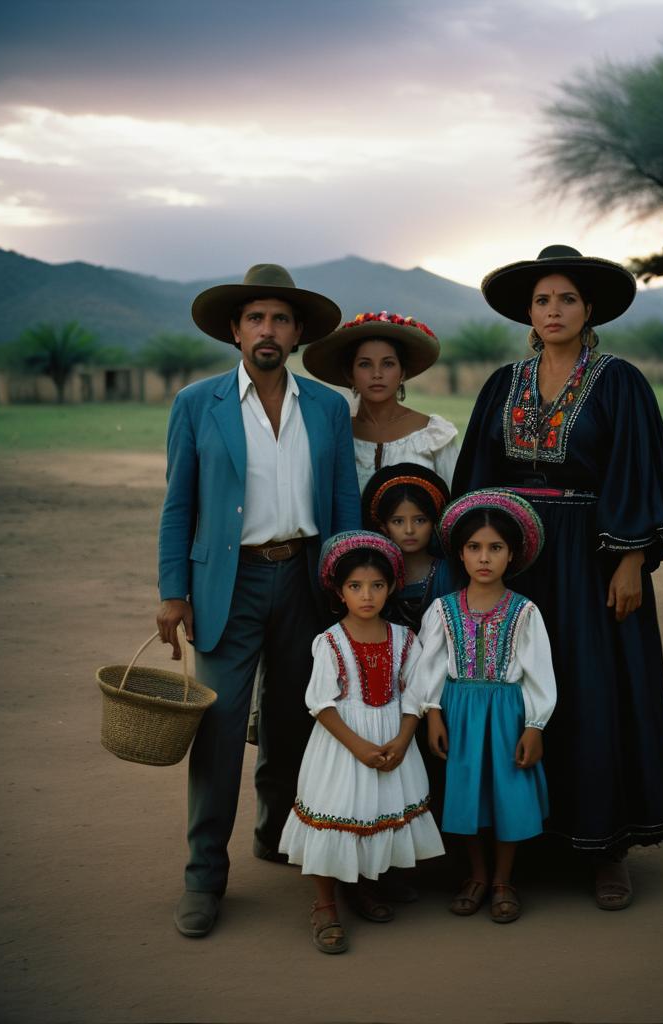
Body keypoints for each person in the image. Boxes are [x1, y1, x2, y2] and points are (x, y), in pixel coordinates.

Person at [453, 245, 663, 910]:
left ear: (590, 309)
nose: (553, 310)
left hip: (594, 560)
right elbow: (477, 478)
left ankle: (606, 845)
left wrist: (631, 561)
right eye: (542, 300)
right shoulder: (503, 385)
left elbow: (640, 475)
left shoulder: (620, 382)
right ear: (528, 314)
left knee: (595, 689)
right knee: (515, 690)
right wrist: (476, 561)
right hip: (515, 562)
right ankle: (520, 840)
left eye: (565, 298)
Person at [156, 263, 361, 938]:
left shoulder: (328, 407)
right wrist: (172, 592)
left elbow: (342, 503)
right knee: (219, 730)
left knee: (295, 719)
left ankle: (277, 834)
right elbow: (179, 503)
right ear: (235, 332)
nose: (266, 330)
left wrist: (349, 582)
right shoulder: (198, 404)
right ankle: (202, 878)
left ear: (298, 332)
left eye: (279, 318)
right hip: (228, 581)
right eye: (254, 318)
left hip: (308, 574)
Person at [278, 531, 444, 954]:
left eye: (376, 586)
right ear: (339, 590)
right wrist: (358, 747)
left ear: (390, 588)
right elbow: (319, 701)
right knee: (338, 814)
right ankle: (325, 904)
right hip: (342, 745)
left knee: (374, 812)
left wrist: (404, 740)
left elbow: (415, 693)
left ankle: (364, 888)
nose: (367, 595)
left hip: (393, 739)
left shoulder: (405, 639)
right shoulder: (329, 642)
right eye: (355, 586)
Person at [411, 489, 556, 924]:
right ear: (461, 553)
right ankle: (475, 874)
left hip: (509, 714)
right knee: (467, 793)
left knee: (508, 794)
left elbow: (539, 674)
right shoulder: (442, 610)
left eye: (495, 548)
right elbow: (427, 665)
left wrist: (535, 725)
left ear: (512, 555)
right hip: (459, 712)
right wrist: (432, 711)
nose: (484, 558)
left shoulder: (525, 612)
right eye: (474, 547)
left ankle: (503, 880)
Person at [302, 310, 459, 490]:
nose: (377, 374)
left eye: (388, 363)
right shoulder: (336, 434)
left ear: (403, 372)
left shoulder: (434, 436)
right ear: (350, 374)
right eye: (365, 364)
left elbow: (456, 506)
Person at [360, 462, 454, 632]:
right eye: (398, 521)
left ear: (434, 523)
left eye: (420, 520)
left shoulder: (449, 575)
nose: (409, 530)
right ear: (384, 527)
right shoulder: (376, 575)